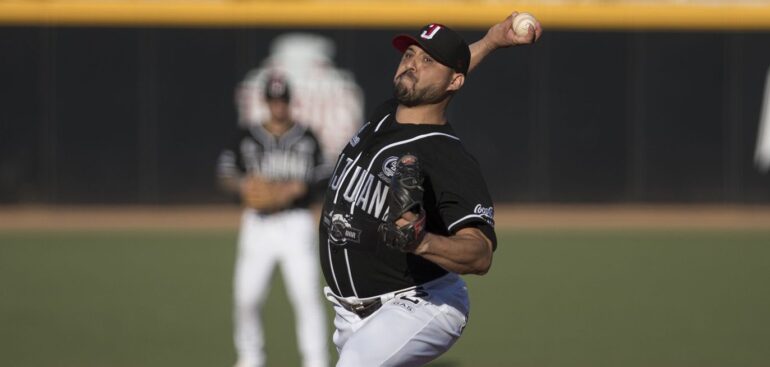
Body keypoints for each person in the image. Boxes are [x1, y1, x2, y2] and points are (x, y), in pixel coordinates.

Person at [317, 13, 542, 366]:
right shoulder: (386, 116)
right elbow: (453, 69)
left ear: (454, 82)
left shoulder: (446, 156)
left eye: (426, 60)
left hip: (420, 303)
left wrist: (423, 241)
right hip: (349, 314)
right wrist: (492, 41)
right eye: (409, 54)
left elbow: (481, 254)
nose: (411, 64)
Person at [218, 74, 329, 367]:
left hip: (296, 224)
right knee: (246, 298)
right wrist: (242, 186)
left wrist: (300, 186)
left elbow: (326, 172)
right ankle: (250, 357)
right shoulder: (247, 137)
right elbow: (226, 171)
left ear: (289, 101)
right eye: (273, 100)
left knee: (306, 297)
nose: (278, 106)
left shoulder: (307, 137)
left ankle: (315, 361)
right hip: (259, 225)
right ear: (266, 102)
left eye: (282, 100)